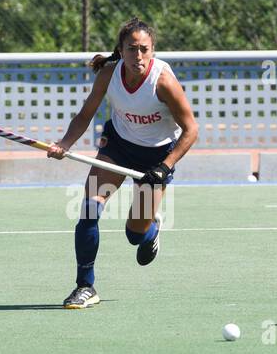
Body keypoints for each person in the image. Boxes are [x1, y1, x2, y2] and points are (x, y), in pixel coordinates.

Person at [47, 17, 199, 309]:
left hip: (156, 158)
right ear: (121, 49)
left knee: (134, 234)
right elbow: (84, 115)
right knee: (89, 208)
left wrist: (164, 167)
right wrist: (65, 144)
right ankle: (85, 286)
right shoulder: (108, 74)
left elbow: (191, 130)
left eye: (144, 49)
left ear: (152, 50)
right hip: (116, 147)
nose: (138, 56)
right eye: (131, 49)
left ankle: (151, 229)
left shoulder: (163, 82)